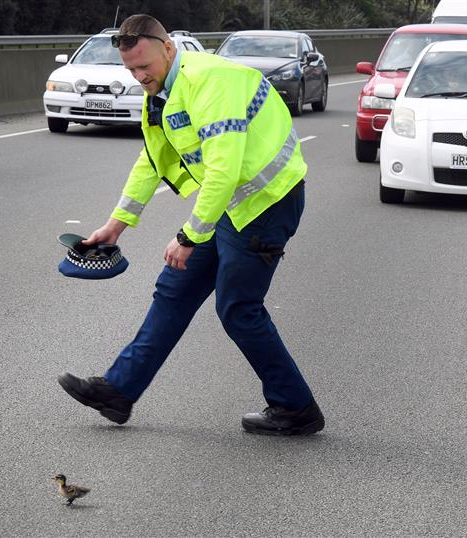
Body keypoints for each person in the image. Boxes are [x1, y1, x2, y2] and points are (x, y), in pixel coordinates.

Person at [54, 14, 322, 437]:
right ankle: (118, 392)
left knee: (238, 308)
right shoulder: (162, 91)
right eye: (131, 70)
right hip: (230, 205)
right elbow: (152, 159)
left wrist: (189, 236)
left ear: (169, 47)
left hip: (268, 203)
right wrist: (117, 224)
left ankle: (296, 408)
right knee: (174, 291)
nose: (139, 77)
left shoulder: (211, 83)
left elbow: (224, 170)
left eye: (145, 67)